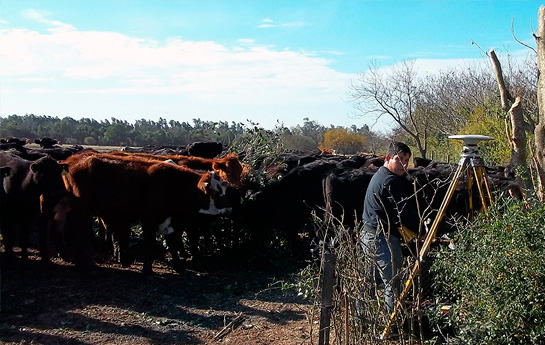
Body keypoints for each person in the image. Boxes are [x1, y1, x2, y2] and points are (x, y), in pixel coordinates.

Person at [360, 141, 420, 317]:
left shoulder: (379, 174)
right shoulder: (390, 181)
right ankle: (392, 324)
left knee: (369, 280)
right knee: (393, 282)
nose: (404, 165)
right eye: (399, 159)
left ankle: (361, 319)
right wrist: (421, 228)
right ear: (387, 158)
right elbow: (403, 211)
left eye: (407, 161)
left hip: (367, 233)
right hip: (382, 238)